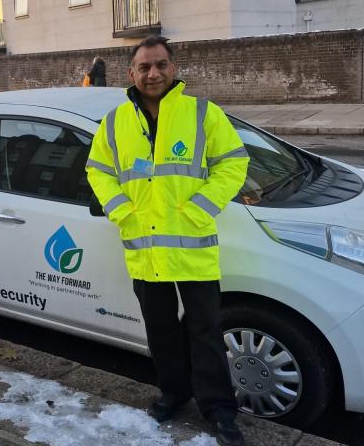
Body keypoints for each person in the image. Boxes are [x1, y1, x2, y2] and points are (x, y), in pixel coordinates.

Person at [86, 36, 249, 446]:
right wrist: (122, 210)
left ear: (173, 68)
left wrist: (199, 209)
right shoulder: (115, 121)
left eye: (160, 65)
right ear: (131, 74)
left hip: (193, 247)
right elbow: (98, 171)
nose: (152, 73)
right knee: (160, 331)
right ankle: (174, 393)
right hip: (146, 248)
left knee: (205, 332)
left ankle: (219, 409)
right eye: (144, 67)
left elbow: (234, 164)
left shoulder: (202, 113)